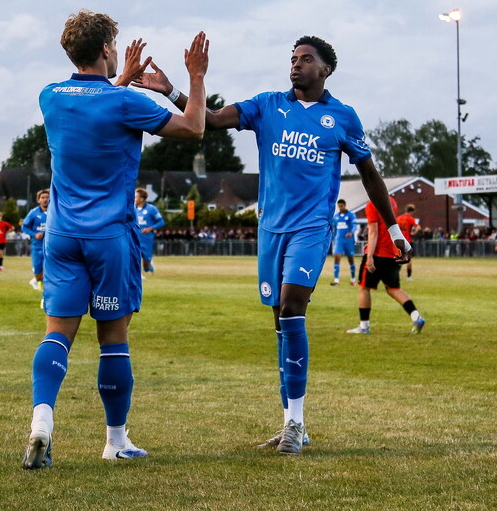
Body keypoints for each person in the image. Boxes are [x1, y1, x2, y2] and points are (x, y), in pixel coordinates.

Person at [134, 34, 410, 455]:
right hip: (271, 232)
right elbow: (207, 120)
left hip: (312, 228)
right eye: (293, 58)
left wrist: (393, 229)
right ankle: (290, 423)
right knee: (280, 323)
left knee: (291, 307)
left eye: (306, 59)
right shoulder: (267, 105)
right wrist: (175, 90)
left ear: (326, 69)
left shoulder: (343, 117)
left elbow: (370, 175)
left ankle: (296, 425)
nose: (296, 65)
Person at [22, 11, 209, 470]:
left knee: (57, 335)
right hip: (109, 237)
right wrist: (195, 77)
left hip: (61, 236)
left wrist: (119, 78)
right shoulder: (126, 104)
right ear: (107, 49)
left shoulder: (50, 97)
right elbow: (194, 127)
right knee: (113, 339)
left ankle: (41, 423)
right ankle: (115, 440)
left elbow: (91, 101)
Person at [346, 195, 424, 335]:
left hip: (378, 253)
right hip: (392, 252)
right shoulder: (392, 201)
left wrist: (369, 256)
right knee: (394, 289)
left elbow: (374, 231)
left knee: (364, 287)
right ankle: (416, 317)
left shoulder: (371, 204)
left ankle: (364, 326)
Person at [21, 189, 49, 291]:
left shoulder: (54, 212)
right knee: (38, 272)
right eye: (43, 198)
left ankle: (44, 296)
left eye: (47, 197)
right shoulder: (33, 213)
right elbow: (24, 227)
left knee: (49, 271)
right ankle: (36, 280)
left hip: (50, 247)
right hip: (37, 246)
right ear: (38, 200)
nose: (45, 200)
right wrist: (34, 234)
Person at [134, 187, 165, 274]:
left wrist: (150, 228)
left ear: (142, 199)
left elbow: (161, 222)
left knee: (146, 266)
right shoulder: (132, 209)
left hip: (146, 239)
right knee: (134, 257)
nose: (134, 199)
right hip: (135, 237)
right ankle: (138, 275)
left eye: (136, 197)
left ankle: (149, 266)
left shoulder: (151, 209)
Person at [330, 199, 357, 286]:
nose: (340, 208)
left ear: (345, 205)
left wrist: (351, 232)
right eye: (339, 206)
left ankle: (353, 280)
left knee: (350, 259)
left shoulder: (351, 215)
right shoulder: (336, 217)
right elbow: (333, 228)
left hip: (348, 241)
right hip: (339, 240)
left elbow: (354, 225)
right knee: (337, 258)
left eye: (342, 206)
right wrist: (332, 238)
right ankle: (336, 280)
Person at [396, 204, 420, 280]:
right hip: (408, 241)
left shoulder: (398, 218)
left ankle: (395, 274)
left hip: (399, 241)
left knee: (399, 257)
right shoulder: (410, 218)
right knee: (409, 259)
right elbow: (418, 227)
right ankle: (409, 276)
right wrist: (413, 233)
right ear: (412, 211)